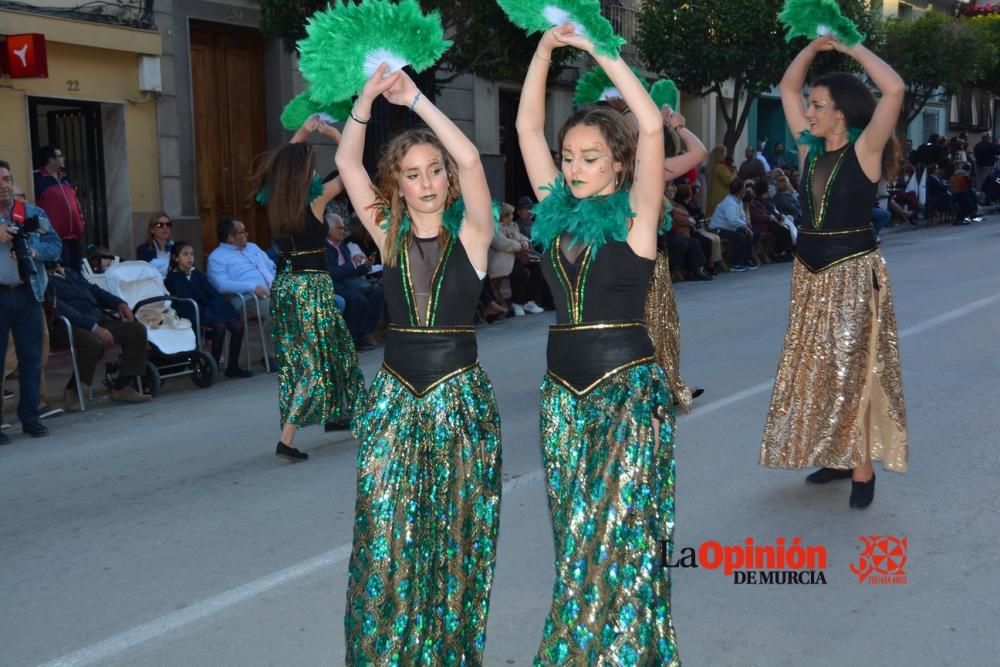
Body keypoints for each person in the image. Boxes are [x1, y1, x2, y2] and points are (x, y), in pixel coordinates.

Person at [518, 25, 679, 664]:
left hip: (627, 398)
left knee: (622, 532)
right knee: (577, 531)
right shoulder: (556, 210)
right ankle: (587, 647)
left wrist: (602, 51)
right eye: (569, 157)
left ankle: (625, 652)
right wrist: (543, 51)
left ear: (617, 162)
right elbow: (528, 130)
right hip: (561, 394)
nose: (575, 168)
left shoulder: (638, 219)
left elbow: (651, 130)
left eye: (590, 157)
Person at [337, 65, 501, 663]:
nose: (427, 182)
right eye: (412, 174)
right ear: (396, 186)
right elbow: (349, 166)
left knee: (455, 542)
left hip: (460, 405)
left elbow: (475, 163)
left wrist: (417, 101)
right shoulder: (386, 232)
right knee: (384, 537)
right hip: (395, 402)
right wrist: (365, 98)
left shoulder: (475, 234)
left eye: (435, 171)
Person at [760, 36, 909, 509]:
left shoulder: (865, 150)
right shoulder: (808, 153)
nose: (808, 111)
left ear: (840, 112)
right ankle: (837, 454)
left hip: (851, 272)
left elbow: (895, 90)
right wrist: (812, 49)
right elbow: (787, 88)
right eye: (810, 104)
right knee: (820, 371)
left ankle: (861, 468)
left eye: (818, 105)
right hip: (809, 273)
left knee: (853, 372)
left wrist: (850, 48)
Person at [248, 117, 365, 460]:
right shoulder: (314, 202)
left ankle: (350, 417)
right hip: (311, 287)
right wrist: (336, 134)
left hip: (285, 286)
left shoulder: (273, 198)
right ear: (303, 176)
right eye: (312, 168)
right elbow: (349, 168)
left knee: (330, 350)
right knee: (316, 362)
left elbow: (280, 161)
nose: (316, 173)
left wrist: (302, 132)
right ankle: (287, 438)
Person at [0, 160, 62, 443]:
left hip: (27, 293)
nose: (4, 185)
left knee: (31, 360)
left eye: (7, 179)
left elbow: (55, 245)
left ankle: (30, 418)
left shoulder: (30, 213)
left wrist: (32, 249)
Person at [48, 261, 152, 406]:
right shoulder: (44, 280)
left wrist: (119, 303)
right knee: (92, 342)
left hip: (95, 320)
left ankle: (122, 386)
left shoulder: (70, 272)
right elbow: (61, 309)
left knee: (137, 330)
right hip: (66, 326)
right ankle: (73, 389)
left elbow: (95, 291)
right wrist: (92, 326)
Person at [164, 242, 252, 378]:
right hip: (192, 310)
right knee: (219, 326)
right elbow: (179, 301)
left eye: (192, 254)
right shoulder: (172, 278)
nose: (190, 258)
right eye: (185, 254)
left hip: (209, 307)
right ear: (176, 258)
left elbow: (211, 292)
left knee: (237, 326)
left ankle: (233, 366)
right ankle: (213, 367)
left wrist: (221, 306)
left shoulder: (196, 274)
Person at [323, 210, 382, 350]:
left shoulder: (343, 246)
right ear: (328, 229)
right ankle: (351, 339)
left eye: (343, 228)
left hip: (350, 281)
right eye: (339, 228)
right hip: (335, 284)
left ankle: (365, 332)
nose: (343, 231)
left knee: (377, 294)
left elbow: (352, 269)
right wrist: (352, 265)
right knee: (357, 299)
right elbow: (331, 273)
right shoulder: (323, 248)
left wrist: (365, 266)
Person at [206, 217, 276, 312]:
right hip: (248, 299)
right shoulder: (216, 257)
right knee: (277, 309)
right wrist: (252, 287)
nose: (247, 234)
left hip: (274, 293)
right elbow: (221, 285)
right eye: (243, 232)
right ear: (231, 237)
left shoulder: (253, 247)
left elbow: (271, 267)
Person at [33, 146, 85, 271]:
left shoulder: (65, 178)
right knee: (62, 272)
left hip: (74, 236)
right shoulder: (37, 179)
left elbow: (76, 203)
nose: (63, 158)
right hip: (54, 237)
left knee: (76, 269)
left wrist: (82, 223)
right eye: (60, 155)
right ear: (50, 159)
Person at [488, 202, 546, 317]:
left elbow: (521, 237)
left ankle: (529, 301)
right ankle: (517, 303)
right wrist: (520, 246)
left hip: (517, 257)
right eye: (510, 215)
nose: (512, 216)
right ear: (503, 216)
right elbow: (501, 244)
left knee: (536, 269)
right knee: (521, 273)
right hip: (501, 261)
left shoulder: (513, 225)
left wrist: (524, 242)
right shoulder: (493, 228)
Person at [709, 178, 756, 271]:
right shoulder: (730, 202)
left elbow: (741, 216)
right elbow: (732, 220)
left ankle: (747, 260)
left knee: (748, 234)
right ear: (740, 191)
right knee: (739, 237)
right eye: (744, 189)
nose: (745, 191)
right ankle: (736, 264)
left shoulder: (738, 201)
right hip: (718, 229)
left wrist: (746, 226)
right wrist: (744, 226)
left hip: (729, 228)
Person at [135, 212, 174, 276]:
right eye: (160, 225)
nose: (165, 227)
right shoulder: (143, 249)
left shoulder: (175, 247)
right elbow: (145, 273)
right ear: (152, 229)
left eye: (168, 224)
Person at [704, 144, 733, 216]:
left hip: (713, 199)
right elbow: (728, 181)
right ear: (721, 154)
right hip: (722, 199)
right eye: (725, 152)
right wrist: (734, 175)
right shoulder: (721, 167)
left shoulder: (712, 166)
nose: (726, 155)